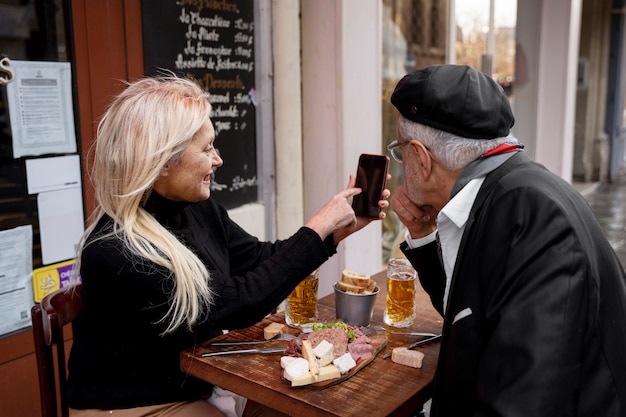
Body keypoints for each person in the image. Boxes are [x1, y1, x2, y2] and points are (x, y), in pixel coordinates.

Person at [66, 74, 389, 417]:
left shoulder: (197, 207)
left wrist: (333, 233)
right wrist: (317, 226)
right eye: (206, 149)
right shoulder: (118, 249)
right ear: (160, 163)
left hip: (199, 381)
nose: (218, 160)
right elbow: (238, 303)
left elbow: (260, 259)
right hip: (137, 404)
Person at [387, 64, 626, 417]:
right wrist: (424, 234)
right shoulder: (504, 192)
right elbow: (471, 313)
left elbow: (524, 403)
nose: (400, 163)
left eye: (400, 150)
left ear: (422, 159)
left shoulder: (536, 221)